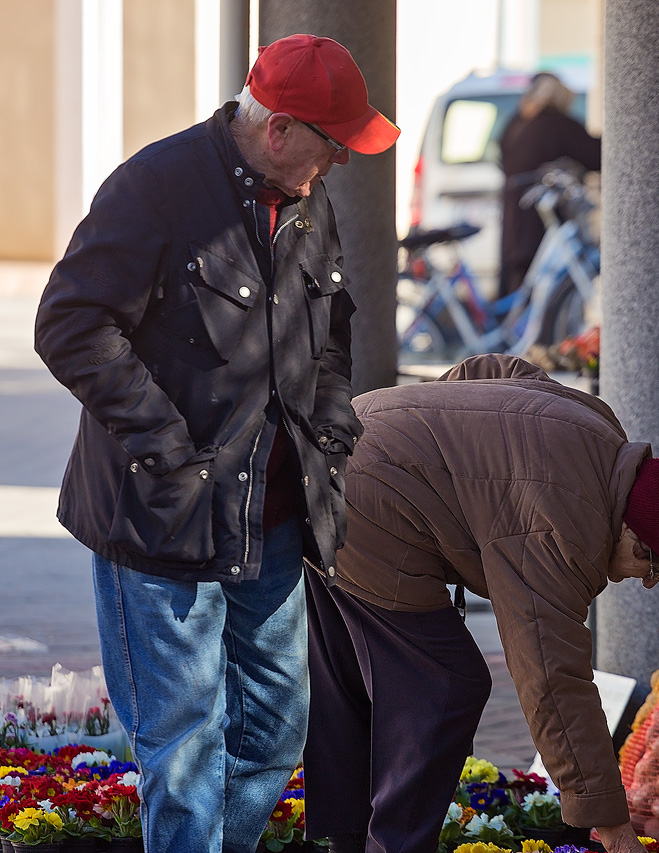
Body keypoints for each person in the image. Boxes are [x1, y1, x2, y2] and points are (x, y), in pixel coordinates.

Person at [33, 34, 398, 853]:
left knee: (273, 727)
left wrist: (332, 427)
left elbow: (331, 329)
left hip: (268, 519)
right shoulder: (155, 188)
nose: (339, 161)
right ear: (279, 130)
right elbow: (70, 324)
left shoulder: (306, 196)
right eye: (332, 143)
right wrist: (167, 447)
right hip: (161, 518)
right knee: (185, 744)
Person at [302, 353, 659, 853]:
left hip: (341, 441)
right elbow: (552, 677)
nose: (650, 584)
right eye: (657, 568)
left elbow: (491, 371)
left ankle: (346, 841)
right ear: (636, 534)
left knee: (347, 675)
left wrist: (438, 448)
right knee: (444, 687)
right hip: (369, 499)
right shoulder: (571, 529)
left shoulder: (598, 430)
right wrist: (613, 831)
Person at [498, 72, 601, 296]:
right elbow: (596, 154)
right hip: (539, 221)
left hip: (514, 219)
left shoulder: (518, 123)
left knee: (519, 288)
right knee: (539, 291)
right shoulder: (557, 125)